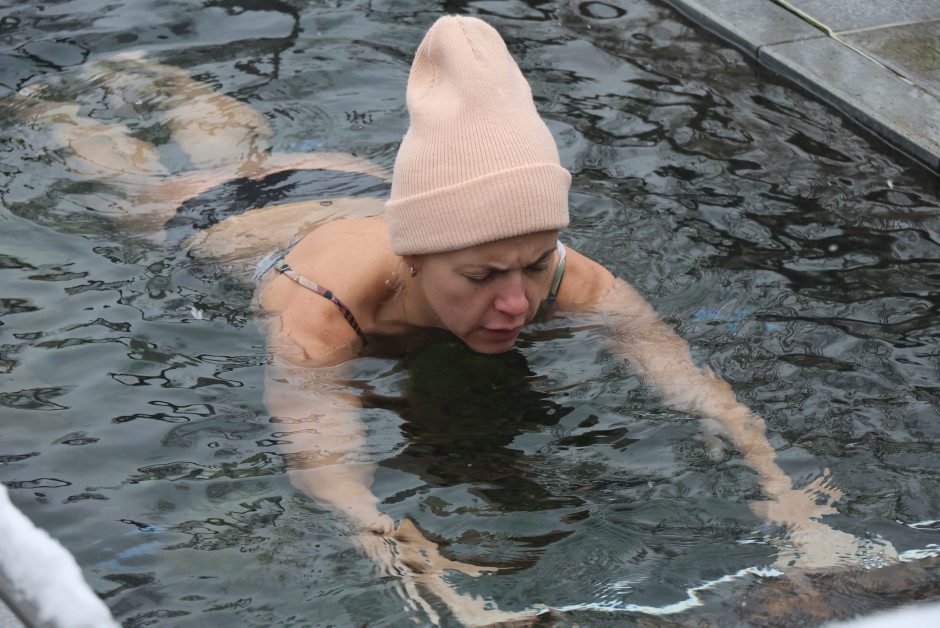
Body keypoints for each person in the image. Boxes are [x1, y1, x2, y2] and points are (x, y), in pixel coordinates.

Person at [15, 15, 896, 625]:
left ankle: (153, 74)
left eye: (534, 265)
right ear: (414, 260)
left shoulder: (569, 275)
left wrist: (793, 503)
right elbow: (331, 472)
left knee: (251, 143)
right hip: (222, 220)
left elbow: (692, 384)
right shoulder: (319, 315)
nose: (516, 303)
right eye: (480, 278)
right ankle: (60, 98)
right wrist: (428, 577)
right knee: (135, 173)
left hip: (350, 182)